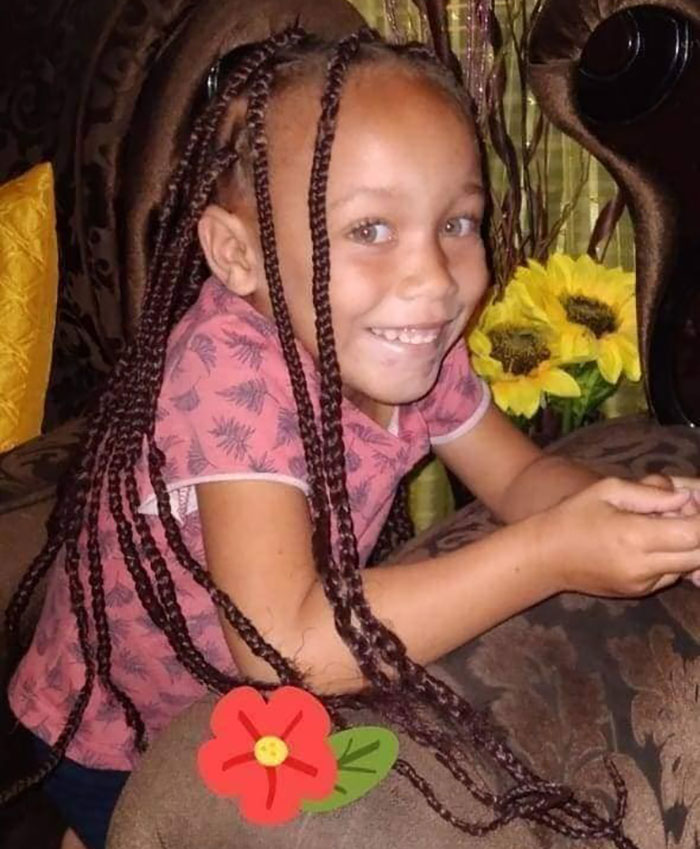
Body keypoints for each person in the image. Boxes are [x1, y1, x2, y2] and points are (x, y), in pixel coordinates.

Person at [3, 26, 700, 849]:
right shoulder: (230, 376)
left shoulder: (414, 344)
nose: (435, 280)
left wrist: (638, 516)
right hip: (120, 725)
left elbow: (517, 482)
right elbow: (285, 644)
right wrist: (551, 554)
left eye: (459, 223)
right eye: (370, 229)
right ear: (238, 254)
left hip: (255, 705)